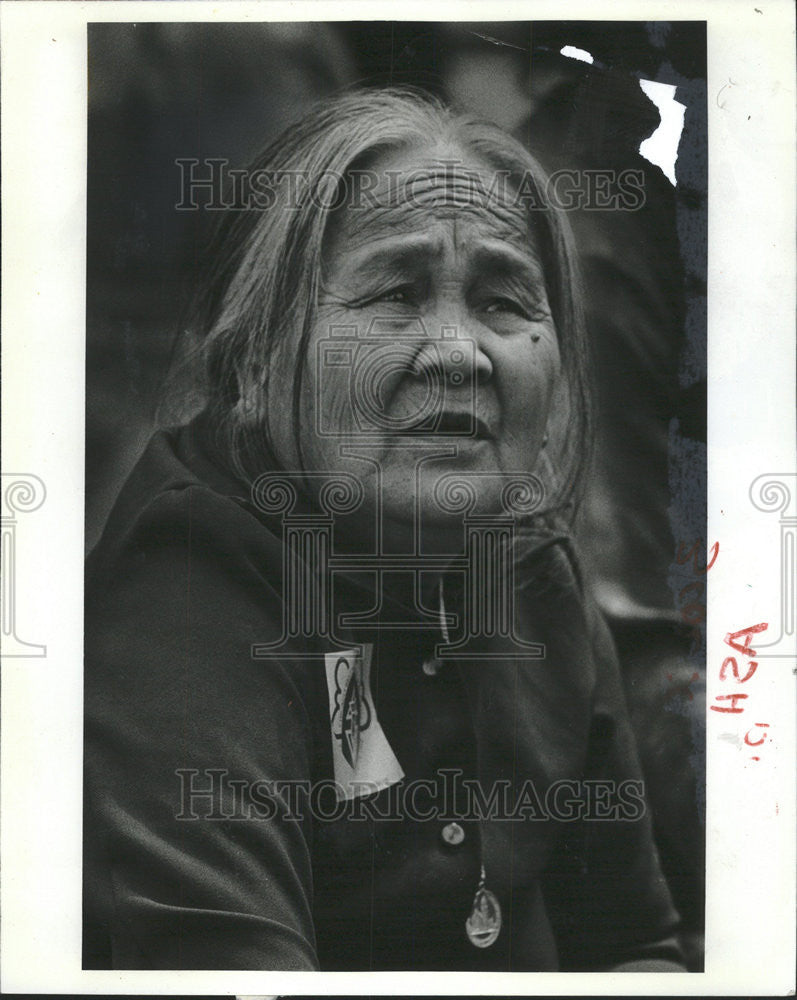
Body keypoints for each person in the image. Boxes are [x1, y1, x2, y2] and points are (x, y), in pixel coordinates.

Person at [83, 87, 686, 972]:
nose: (457, 352)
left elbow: (635, 950)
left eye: (505, 302)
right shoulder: (182, 604)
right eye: (395, 294)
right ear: (254, 357)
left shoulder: (530, 572)